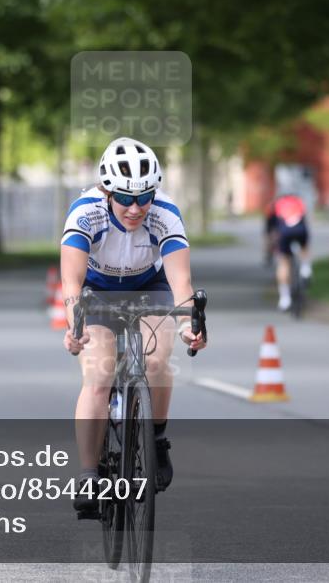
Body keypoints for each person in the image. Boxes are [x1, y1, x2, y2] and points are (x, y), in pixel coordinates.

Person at [61, 136, 206, 514]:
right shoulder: (85, 213)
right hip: (96, 293)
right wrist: (75, 325)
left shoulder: (165, 213)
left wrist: (192, 322)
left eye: (145, 197)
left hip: (148, 288)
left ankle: (156, 437)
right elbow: (72, 284)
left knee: (158, 360)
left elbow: (181, 286)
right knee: (98, 375)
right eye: (125, 198)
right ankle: (90, 473)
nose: (136, 208)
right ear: (107, 191)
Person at [265, 191, 312, 311]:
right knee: (304, 246)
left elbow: (270, 230)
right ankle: (306, 269)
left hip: (285, 233)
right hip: (301, 230)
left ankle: (285, 299)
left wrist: (271, 248)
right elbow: (305, 219)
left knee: (283, 262)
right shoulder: (299, 202)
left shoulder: (275, 205)